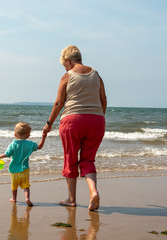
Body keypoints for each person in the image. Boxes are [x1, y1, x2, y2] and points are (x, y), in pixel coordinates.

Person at [43, 45, 107, 211]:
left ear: (68, 61)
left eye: (65, 65)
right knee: (88, 159)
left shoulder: (67, 76)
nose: (65, 68)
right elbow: (103, 100)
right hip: (97, 121)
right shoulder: (96, 74)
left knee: (70, 158)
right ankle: (93, 192)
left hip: (73, 121)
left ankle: (71, 199)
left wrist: (48, 124)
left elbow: (58, 103)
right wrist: (98, 117)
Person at [0, 122, 47, 207]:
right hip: (25, 169)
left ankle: (14, 198)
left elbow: (7, 154)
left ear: (15, 135)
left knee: (14, 186)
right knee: (26, 186)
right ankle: (27, 198)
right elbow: (39, 146)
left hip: (14, 170)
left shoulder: (13, 144)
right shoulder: (30, 144)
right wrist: (43, 137)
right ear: (28, 136)